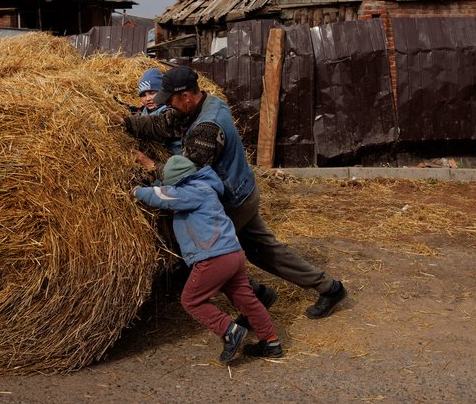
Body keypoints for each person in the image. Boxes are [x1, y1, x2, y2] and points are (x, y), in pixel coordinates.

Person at [119, 65, 347, 320]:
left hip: (233, 200)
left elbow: (187, 174)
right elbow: (163, 125)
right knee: (265, 251)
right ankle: (329, 287)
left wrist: (151, 166)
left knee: (210, 258)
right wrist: (126, 123)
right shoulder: (204, 103)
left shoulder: (208, 126)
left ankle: (254, 301)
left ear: (185, 96)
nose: (167, 106)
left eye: (170, 100)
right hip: (243, 191)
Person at [132, 155, 283, 363]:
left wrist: (136, 191)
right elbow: (171, 194)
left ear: (180, 181)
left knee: (191, 300)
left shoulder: (193, 192)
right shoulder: (204, 187)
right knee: (246, 299)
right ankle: (271, 341)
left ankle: (229, 330)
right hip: (233, 254)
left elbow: (164, 196)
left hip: (214, 257)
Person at [135, 68, 181, 153]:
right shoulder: (146, 109)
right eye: (143, 95)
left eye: (152, 93)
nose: (148, 99)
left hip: (174, 157)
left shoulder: (168, 111)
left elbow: (156, 125)